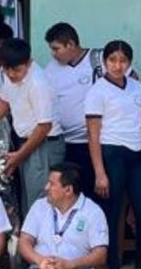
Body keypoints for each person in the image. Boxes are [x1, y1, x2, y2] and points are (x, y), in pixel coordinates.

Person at [85, 40, 141, 269]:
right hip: (111, 154)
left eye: (123, 61)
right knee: (112, 213)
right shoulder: (97, 91)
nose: (117, 66)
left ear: (129, 63)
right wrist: (100, 173)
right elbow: (93, 134)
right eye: (112, 60)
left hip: (136, 155)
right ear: (104, 62)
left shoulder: (136, 86)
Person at [0, 38, 59, 210]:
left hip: (43, 144)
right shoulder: (10, 74)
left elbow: (44, 126)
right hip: (26, 142)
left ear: (28, 63)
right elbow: (4, 102)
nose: (11, 74)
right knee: (27, 197)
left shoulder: (38, 84)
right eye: (6, 69)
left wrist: (19, 156)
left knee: (39, 200)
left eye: (16, 70)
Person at [42, 23, 102, 194]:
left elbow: (129, 80)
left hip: (95, 143)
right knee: (70, 192)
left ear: (71, 44)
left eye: (56, 49)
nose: (53, 54)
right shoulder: (51, 69)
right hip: (65, 143)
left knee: (97, 191)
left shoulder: (98, 60)